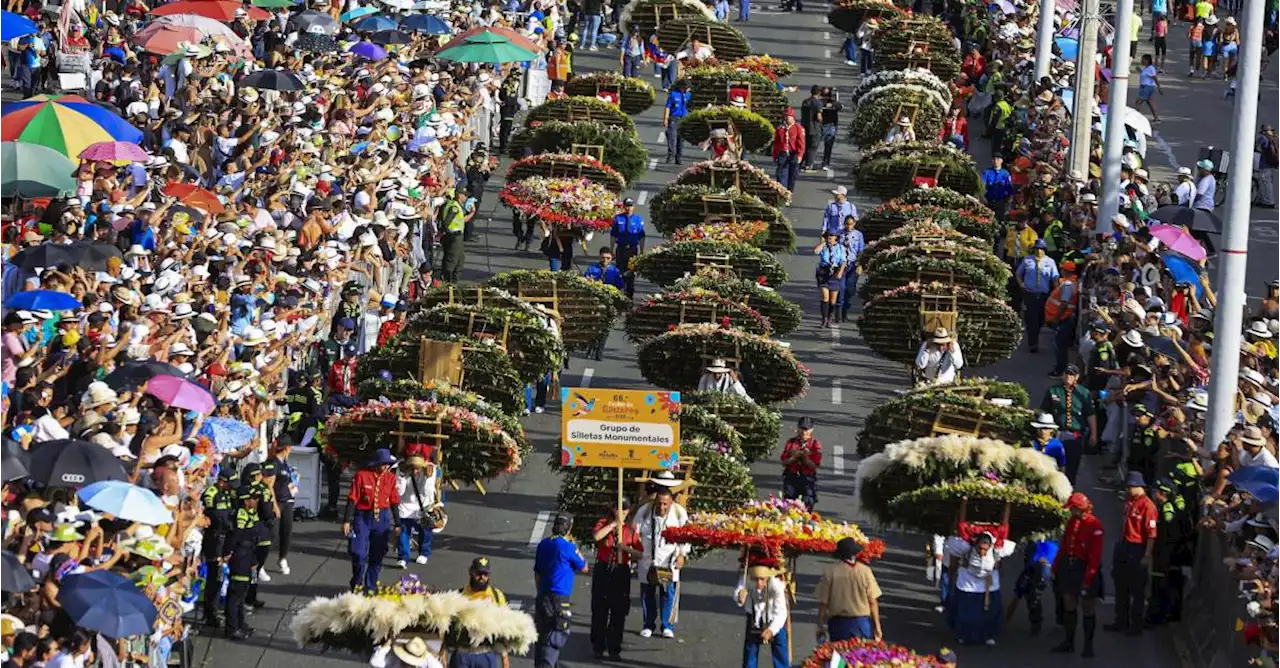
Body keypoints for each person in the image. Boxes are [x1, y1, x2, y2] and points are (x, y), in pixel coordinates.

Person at [632, 486, 688, 639]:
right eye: (659, 503)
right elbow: (634, 532)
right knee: (647, 593)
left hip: (668, 561)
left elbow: (686, 536)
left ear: (671, 502)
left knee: (667, 593)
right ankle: (648, 624)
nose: (662, 507)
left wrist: (682, 554)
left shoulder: (679, 513)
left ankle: (667, 625)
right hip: (647, 560)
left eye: (665, 504)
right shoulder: (644, 511)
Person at [533, 513, 587, 668]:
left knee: (542, 638)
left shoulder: (543, 544)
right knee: (554, 639)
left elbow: (538, 573)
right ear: (569, 528)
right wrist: (574, 544)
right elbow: (584, 566)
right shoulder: (568, 546)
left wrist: (541, 593)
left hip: (543, 596)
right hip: (559, 599)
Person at [944, 529, 1016, 646]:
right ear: (975, 544)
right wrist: (951, 577)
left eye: (985, 549)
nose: (982, 552)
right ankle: (963, 635)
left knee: (990, 613)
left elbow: (1008, 544)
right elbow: (953, 560)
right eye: (980, 549)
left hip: (989, 586)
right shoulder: (964, 548)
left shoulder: (998, 549)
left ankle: (988, 635)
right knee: (965, 614)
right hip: (967, 585)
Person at [590, 502, 642, 660]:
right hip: (603, 569)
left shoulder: (631, 529)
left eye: (625, 509)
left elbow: (639, 553)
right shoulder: (604, 523)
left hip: (621, 571)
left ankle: (614, 648)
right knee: (600, 609)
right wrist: (613, 525)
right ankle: (598, 646)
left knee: (618, 612)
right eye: (619, 509)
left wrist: (624, 548)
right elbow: (596, 536)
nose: (622, 512)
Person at [343, 448, 400, 592]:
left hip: (382, 517)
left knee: (378, 554)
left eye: (388, 464)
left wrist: (398, 524)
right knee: (358, 552)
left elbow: (394, 501)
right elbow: (352, 499)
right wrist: (346, 520)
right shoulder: (361, 476)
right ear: (375, 464)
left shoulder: (391, 478)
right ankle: (356, 582)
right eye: (384, 464)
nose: (386, 467)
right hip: (363, 516)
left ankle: (370, 586)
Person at [1109, 472, 1158, 636]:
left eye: (1131, 487)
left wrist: (1147, 555)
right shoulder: (1129, 502)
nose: (1128, 490)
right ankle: (1120, 620)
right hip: (1124, 545)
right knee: (1120, 585)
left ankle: (1135, 625)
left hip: (1137, 548)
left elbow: (1151, 534)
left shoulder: (1148, 506)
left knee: (1137, 589)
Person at [815, 537, 882, 641]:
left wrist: (820, 625)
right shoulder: (865, 571)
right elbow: (873, 601)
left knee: (840, 654)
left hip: (838, 624)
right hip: (861, 622)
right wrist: (877, 626)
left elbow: (823, 603)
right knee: (859, 654)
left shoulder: (830, 572)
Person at [1039, 365, 1097, 484]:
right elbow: (1044, 411)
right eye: (1067, 373)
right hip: (1057, 433)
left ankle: (1069, 491)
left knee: (1072, 465)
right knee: (1052, 463)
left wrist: (1094, 434)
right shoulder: (1053, 391)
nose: (1068, 376)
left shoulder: (1084, 393)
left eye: (1071, 374)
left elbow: (1090, 415)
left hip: (1075, 434)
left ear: (1077, 377)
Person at [1146, 478, 1189, 625]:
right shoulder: (1173, 507)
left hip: (1164, 554)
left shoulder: (1167, 511)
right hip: (1170, 553)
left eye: (1156, 491)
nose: (1153, 494)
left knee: (1159, 585)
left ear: (1163, 493)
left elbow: (1168, 533)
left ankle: (1155, 616)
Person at [200, 468, 239, 627]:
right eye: (229, 484)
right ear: (222, 481)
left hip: (226, 539)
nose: (231, 487)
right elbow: (214, 517)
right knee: (215, 577)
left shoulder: (228, 495)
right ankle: (210, 613)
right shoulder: (211, 494)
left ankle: (215, 608)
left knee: (222, 576)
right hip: (214, 539)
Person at [225, 485, 263, 640]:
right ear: (246, 501)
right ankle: (232, 628)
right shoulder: (241, 514)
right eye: (253, 498)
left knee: (242, 594)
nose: (256, 501)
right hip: (241, 557)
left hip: (248, 555)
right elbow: (236, 536)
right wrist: (227, 553)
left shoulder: (249, 513)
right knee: (236, 595)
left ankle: (240, 624)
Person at [735, 564, 789, 668]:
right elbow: (738, 591)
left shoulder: (776, 585)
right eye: (755, 579)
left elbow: (782, 613)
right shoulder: (746, 578)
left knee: (781, 653)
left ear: (768, 577)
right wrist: (739, 596)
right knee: (750, 653)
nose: (759, 583)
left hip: (774, 619)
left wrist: (771, 630)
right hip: (754, 619)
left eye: (762, 579)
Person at [1007, 539, 1059, 636]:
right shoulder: (1049, 548)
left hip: (1039, 567)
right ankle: (1055, 620)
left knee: (1031, 593)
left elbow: (1017, 595)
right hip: (1045, 566)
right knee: (1034, 593)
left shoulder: (1034, 556)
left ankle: (1037, 623)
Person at [395, 454, 439, 568]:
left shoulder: (430, 469)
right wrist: (402, 476)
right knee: (403, 532)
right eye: (412, 469)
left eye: (418, 469)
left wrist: (428, 478)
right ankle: (403, 557)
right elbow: (399, 492)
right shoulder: (401, 470)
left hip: (423, 506)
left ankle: (424, 553)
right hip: (405, 507)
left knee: (425, 531)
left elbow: (427, 492)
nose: (415, 471)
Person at [1016, 240, 1059, 353]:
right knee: (1031, 319)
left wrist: (1057, 292)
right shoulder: (1027, 260)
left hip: (1044, 295)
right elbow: (1019, 274)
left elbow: (1054, 278)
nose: (1039, 251)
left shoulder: (1050, 262)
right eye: (1037, 249)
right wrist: (1021, 284)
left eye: (1041, 249)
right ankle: (1032, 343)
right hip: (1030, 293)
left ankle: (1036, 334)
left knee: (1041, 318)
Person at [268, 434, 297, 575]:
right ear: (286, 448)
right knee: (272, 533)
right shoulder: (274, 463)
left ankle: (282, 558)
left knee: (287, 532)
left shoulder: (285, 463)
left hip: (288, 501)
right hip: (278, 502)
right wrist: (274, 505)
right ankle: (259, 562)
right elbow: (269, 486)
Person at [780, 416, 822, 509]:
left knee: (808, 502)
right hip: (792, 476)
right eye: (802, 429)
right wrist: (794, 457)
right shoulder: (791, 443)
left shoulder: (815, 444)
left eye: (807, 429)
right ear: (798, 429)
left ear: (811, 430)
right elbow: (784, 462)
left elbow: (814, 466)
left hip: (807, 478)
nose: (804, 432)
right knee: (788, 504)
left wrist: (805, 457)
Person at [609, 199, 645, 299]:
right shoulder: (618, 219)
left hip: (632, 250)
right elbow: (613, 235)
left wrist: (641, 251)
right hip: (621, 249)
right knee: (619, 272)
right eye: (626, 206)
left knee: (631, 273)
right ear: (623, 207)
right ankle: (618, 295)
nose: (628, 208)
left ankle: (629, 296)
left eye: (630, 206)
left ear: (634, 207)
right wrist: (611, 250)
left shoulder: (638, 219)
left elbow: (641, 236)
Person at [813, 230, 847, 328]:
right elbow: (815, 251)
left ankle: (829, 316)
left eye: (832, 236)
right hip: (824, 272)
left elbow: (843, 261)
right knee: (825, 297)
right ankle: (824, 319)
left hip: (835, 273)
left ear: (836, 237)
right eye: (828, 236)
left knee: (832, 301)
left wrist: (840, 272)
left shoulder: (840, 248)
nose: (830, 238)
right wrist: (823, 243)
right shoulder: (824, 247)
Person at [834, 214, 865, 323]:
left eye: (851, 224)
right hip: (841, 265)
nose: (848, 226)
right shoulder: (839, 234)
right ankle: (838, 314)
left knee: (850, 289)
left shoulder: (858, 235)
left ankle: (845, 312)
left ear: (854, 224)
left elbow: (861, 250)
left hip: (853, 264)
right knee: (841, 288)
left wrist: (860, 264)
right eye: (847, 224)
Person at [439, 188, 469, 283]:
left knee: (460, 260)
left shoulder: (453, 205)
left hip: (456, 236)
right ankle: (447, 282)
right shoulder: (454, 207)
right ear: (459, 195)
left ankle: (454, 281)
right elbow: (446, 222)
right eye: (465, 195)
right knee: (452, 260)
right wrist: (448, 231)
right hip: (454, 236)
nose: (466, 197)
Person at [772, 108, 805, 192]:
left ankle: (789, 191)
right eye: (786, 116)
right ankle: (782, 191)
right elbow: (776, 143)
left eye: (789, 116)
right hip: (783, 154)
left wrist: (800, 155)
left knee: (792, 174)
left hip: (793, 154)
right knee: (780, 173)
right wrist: (775, 155)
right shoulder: (780, 128)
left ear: (793, 117)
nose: (787, 118)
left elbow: (801, 142)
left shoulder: (798, 128)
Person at [663, 82, 691, 164]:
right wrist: (665, 118)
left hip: (684, 118)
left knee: (681, 139)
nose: (688, 90)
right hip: (674, 118)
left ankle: (678, 157)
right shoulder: (673, 94)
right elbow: (668, 106)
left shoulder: (689, 95)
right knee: (672, 137)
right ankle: (671, 155)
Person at [982, 155, 1015, 220]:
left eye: (998, 159)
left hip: (1000, 202)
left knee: (999, 221)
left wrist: (1009, 200)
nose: (996, 161)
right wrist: (982, 197)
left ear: (1001, 161)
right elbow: (982, 185)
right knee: (986, 220)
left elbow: (1009, 188)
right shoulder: (986, 172)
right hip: (988, 201)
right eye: (994, 159)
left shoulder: (1005, 173)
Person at [1257, 125, 1280, 208]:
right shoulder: (1274, 137)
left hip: (1264, 164)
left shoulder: (1263, 138)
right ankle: (1262, 200)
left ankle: (1269, 202)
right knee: (1266, 182)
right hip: (1271, 164)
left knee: (1266, 184)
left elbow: (1256, 146)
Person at [1135, 54, 1163, 121]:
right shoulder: (1146, 68)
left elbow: (1155, 78)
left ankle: (1135, 118)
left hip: (1146, 87)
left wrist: (1159, 87)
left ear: (1147, 60)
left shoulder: (1151, 68)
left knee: (1138, 102)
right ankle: (1156, 117)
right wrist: (1140, 71)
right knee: (1150, 103)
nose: (1141, 61)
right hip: (1146, 87)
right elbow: (1147, 76)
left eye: (1143, 59)